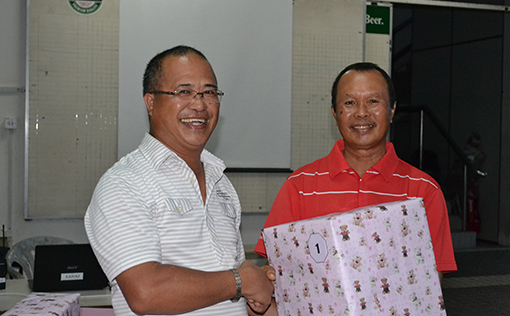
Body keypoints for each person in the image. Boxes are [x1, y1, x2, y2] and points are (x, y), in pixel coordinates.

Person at [85, 45, 275, 316]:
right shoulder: (123, 183)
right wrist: (241, 281)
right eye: (183, 92)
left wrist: (261, 293)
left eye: (209, 92)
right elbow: (146, 293)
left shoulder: (222, 185)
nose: (199, 105)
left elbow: (237, 300)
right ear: (150, 103)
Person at [254, 62, 457, 282]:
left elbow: (432, 277)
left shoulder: (424, 191)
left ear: (392, 111)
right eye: (349, 102)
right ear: (334, 112)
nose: (361, 113)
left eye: (373, 101)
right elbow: (276, 264)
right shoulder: (299, 186)